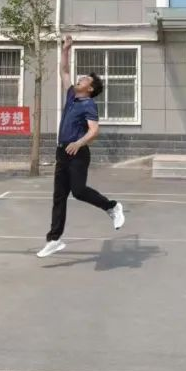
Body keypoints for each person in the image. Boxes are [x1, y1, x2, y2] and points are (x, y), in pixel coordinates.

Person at [37, 35, 124, 258]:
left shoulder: (89, 104)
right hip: (62, 152)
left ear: (90, 89)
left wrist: (79, 142)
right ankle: (54, 239)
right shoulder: (71, 96)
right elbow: (64, 71)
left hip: (78, 153)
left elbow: (94, 130)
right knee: (59, 197)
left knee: (78, 191)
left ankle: (111, 206)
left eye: (85, 79)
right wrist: (66, 49)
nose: (80, 79)